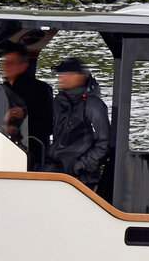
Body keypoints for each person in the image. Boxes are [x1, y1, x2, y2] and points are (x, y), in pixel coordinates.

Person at [46, 57, 111, 190]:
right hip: (57, 174)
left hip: (83, 180)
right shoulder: (60, 102)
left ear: (81, 77)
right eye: (61, 74)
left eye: (68, 74)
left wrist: (79, 167)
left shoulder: (93, 105)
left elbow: (104, 144)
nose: (63, 77)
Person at [0, 44, 54, 165]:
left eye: (11, 63)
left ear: (23, 66)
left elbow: (48, 126)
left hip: (32, 152)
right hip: (1, 148)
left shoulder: (41, 90)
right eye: (5, 62)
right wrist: (4, 122)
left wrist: (22, 121)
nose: (6, 66)